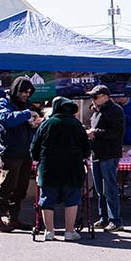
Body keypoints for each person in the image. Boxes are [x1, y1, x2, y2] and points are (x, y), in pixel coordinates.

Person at [30, 97, 91, 241]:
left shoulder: (46, 124)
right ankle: (69, 231)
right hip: (73, 167)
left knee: (47, 200)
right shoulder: (77, 125)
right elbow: (86, 148)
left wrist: (38, 159)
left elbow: (34, 147)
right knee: (71, 199)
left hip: (49, 168)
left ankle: (49, 232)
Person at [0, 76, 42, 232]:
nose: (26, 95)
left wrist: (34, 124)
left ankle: (14, 219)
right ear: (16, 90)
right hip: (10, 151)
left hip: (25, 152)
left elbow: (25, 125)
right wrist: (26, 115)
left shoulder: (25, 105)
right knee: (6, 186)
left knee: (21, 188)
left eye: (28, 92)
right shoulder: (2, 103)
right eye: (24, 92)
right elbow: (5, 119)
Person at [86, 85, 125, 232]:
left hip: (109, 154)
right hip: (97, 154)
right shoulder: (98, 111)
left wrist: (95, 132)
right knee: (100, 189)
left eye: (95, 97)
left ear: (105, 97)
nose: (93, 100)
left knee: (109, 188)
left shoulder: (115, 110)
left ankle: (115, 220)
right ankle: (104, 218)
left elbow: (117, 133)